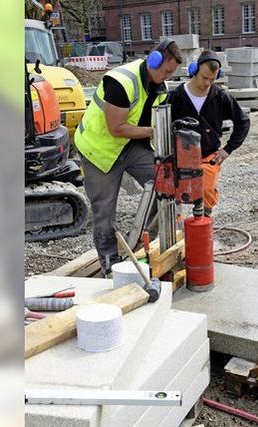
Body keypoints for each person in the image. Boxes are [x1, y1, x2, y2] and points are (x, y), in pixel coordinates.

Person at [74, 39, 182, 274]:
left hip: (130, 145)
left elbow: (147, 121)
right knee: (104, 209)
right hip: (99, 149)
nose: (168, 77)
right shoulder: (121, 82)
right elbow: (117, 128)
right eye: (166, 71)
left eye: (172, 73)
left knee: (164, 184)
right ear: (154, 60)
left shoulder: (159, 87)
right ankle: (109, 262)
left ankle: (151, 244)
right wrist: (156, 131)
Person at [167, 51, 250, 217]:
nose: (207, 83)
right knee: (174, 194)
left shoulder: (220, 97)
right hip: (181, 156)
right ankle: (177, 229)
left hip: (208, 155)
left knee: (206, 191)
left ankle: (204, 221)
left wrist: (228, 149)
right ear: (195, 70)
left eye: (212, 79)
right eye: (204, 78)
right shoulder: (176, 97)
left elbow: (243, 122)